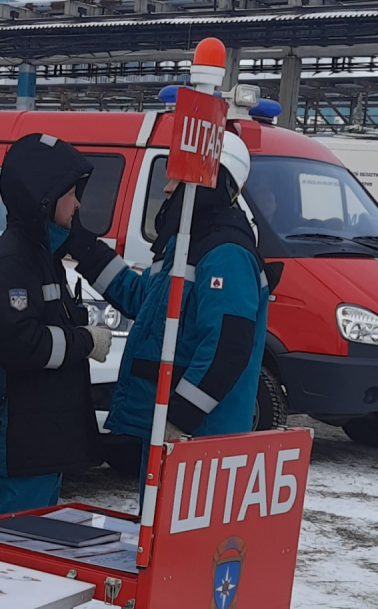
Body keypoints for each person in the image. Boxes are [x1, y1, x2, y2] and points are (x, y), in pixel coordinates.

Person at [66, 131, 270, 498]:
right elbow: (144, 302)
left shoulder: (227, 252)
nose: (168, 188)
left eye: (179, 178)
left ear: (209, 183)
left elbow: (228, 348)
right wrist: (85, 249)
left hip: (202, 441)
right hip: (168, 430)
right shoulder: (183, 244)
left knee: (181, 546)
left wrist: (180, 419)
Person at [0, 133, 111, 517]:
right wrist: (83, 341)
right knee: (13, 550)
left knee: (29, 545)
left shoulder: (40, 254)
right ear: (43, 197)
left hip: (38, 438)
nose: (77, 203)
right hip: (22, 437)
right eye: (70, 194)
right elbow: (19, 342)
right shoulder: (15, 263)